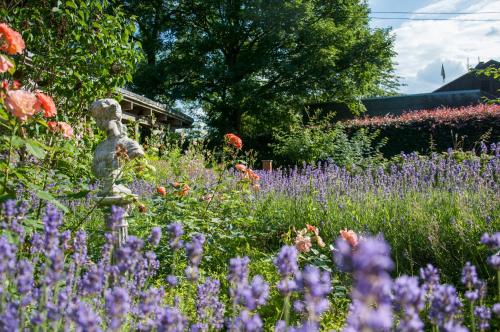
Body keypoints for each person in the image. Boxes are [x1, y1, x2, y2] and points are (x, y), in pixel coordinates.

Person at [90, 98, 144, 197]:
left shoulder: (130, 145)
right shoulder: (100, 147)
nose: (99, 123)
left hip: (118, 193)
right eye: (97, 119)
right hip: (103, 192)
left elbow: (136, 153)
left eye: (104, 118)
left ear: (115, 117)